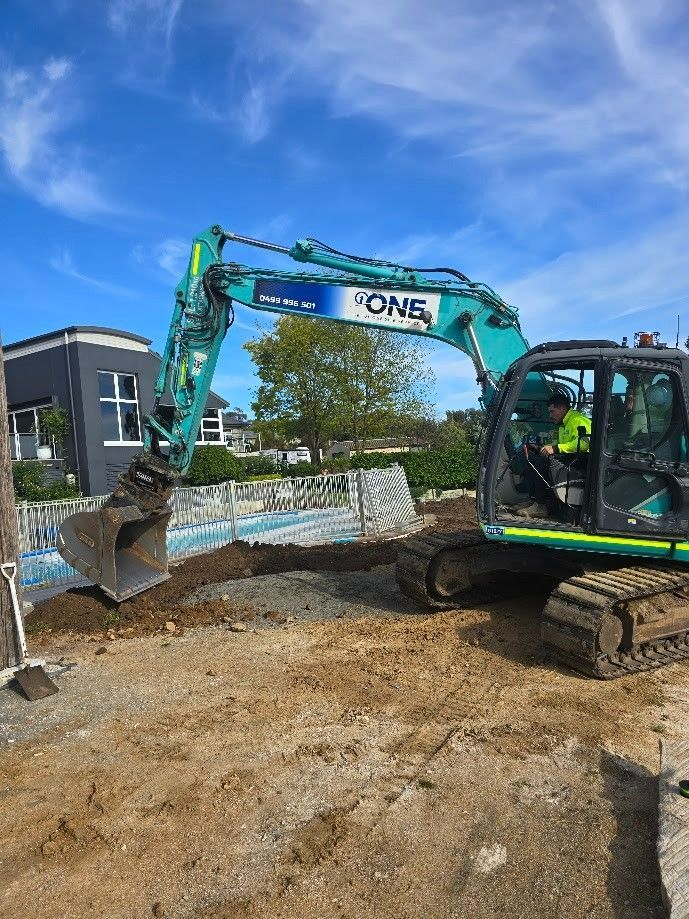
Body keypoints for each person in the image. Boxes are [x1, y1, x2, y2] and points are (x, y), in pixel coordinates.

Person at [515, 393, 592, 518]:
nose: (550, 416)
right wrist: (542, 447)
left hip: (581, 461)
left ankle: (541, 505)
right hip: (570, 459)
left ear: (561, 408)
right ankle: (534, 500)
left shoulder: (578, 420)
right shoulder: (563, 425)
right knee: (532, 459)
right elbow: (563, 445)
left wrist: (555, 448)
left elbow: (584, 444)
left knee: (541, 463)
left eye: (552, 411)